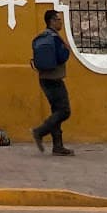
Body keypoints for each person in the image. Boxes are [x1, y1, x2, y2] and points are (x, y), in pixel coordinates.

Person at [31, 9, 74, 155]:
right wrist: (67, 50)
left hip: (44, 78)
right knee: (64, 111)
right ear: (52, 21)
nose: (60, 22)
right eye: (58, 19)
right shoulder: (55, 38)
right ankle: (40, 131)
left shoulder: (43, 36)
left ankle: (58, 146)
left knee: (56, 111)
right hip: (55, 79)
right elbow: (61, 57)